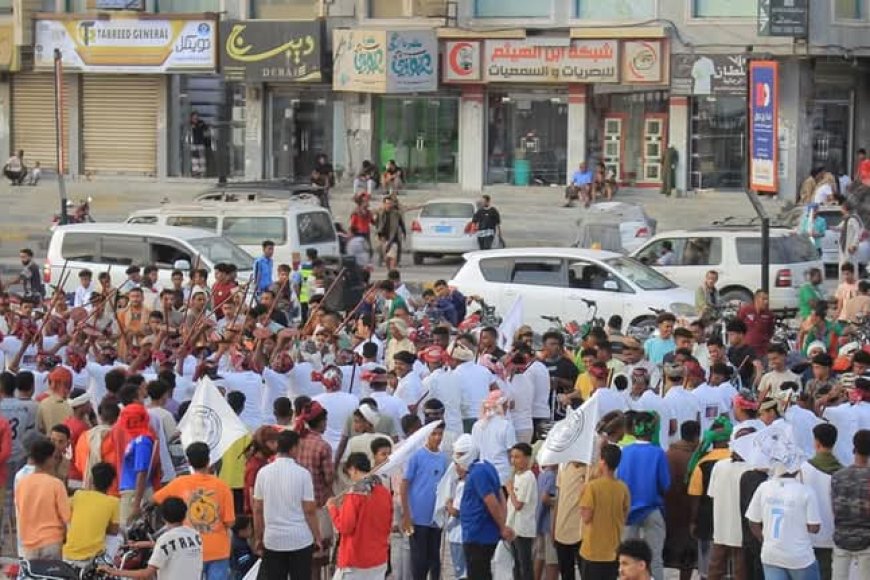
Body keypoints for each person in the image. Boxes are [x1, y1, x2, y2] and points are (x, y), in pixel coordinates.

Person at [153, 442, 235, 580]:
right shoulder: (222, 486)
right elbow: (230, 522)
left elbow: (155, 499)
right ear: (209, 460)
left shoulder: (179, 483)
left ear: (189, 462)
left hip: (190, 549)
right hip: (218, 549)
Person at [252, 429, 322, 580]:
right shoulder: (303, 474)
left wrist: (258, 537)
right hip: (300, 539)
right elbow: (309, 510)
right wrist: (317, 536)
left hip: (273, 539)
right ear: (293, 448)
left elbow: (257, 509)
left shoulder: (263, 473)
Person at [745, 455, 822, 579]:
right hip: (800, 557)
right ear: (797, 469)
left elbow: (753, 521)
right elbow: (814, 527)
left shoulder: (764, 487)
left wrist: (764, 539)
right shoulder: (806, 492)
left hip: (771, 554)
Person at [618, 412, 671, 580]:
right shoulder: (658, 453)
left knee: (626, 558)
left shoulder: (625, 451)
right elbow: (665, 484)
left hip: (628, 511)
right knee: (654, 557)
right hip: (652, 508)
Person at [455, 435, 514, 580]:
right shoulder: (486, 465)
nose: (457, 459)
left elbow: (491, 501)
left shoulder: (477, 473)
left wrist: (502, 526)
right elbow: (500, 493)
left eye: (460, 454)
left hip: (478, 534)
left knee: (478, 573)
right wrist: (503, 521)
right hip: (480, 533)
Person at [100, 497, 204, 579]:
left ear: (163, 518)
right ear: (184, 515)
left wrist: (113, 571)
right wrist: (143, 544)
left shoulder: (165, 539)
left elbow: (146, 573)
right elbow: (176, 546)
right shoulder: (195, 535)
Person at [327, 452, 392, 579]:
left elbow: (345, 527)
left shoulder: (355, 494)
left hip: (356, 559)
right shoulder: (384, 492)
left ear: (353, 469)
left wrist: (333, 509)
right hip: (379, 557)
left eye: (350, 473)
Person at [401, 422, 447, 580]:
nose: (438, 437)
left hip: (435, 517)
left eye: (440, 434)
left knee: (434, 558)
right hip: (417, 516)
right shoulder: (417, 456)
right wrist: (407, 514)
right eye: (434, 434)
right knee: (419, 559)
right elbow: (404, 484)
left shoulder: (443, 458)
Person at [579, 444, 630, 580]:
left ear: (602, 461)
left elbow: (586, 517)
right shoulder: (622, 487)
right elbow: (624, 515)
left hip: (593, 550)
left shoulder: (592, 487)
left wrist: (581, 496)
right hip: (613, 549)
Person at [15, 437, 71, 559]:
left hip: (28, 543)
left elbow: (20, 510)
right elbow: (66, 517)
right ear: (49, 459)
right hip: (52, 541)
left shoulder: (22, 483)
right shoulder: (56, 484)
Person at [800, 423, 841, 580]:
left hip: (808, 533)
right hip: (832, 534)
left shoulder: (803, 469)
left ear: (816, 442)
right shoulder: (842, 471)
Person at [62, 462, 120, 567]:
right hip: (92, 559)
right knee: (118, 537)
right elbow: (114, 531)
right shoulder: (113, 502)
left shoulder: (78, 495)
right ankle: (108, 565)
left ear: (92, 480)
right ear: (112, 483)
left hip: (68, 555)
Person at [830, 429, 870, 580]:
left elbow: (834, 508)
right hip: (867, 539)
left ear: (854, 448)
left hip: (842, 537)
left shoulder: (838, 476)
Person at [663, 421, 699, 580]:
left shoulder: (668, 454)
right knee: (687, 555)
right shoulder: (695, 458)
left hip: (668, 510)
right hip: (688, 510)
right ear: (696, 437)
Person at [506, 442, 537, 580]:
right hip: (513, 527)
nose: (513, 460)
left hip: (523, 528)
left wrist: (510, 490)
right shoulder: (517, 475)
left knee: (525, 564)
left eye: (517, 457)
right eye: (512, 457)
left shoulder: (528, 477)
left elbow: (519, 504)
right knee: (516, 564)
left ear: (527, 458)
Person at [737, 290, 775, 359]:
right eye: (763, 299)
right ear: (756, 299)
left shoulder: (769, 315)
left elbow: (770, 332)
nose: (766, 302)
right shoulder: (745, 310)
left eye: (767, 299)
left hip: (762, 352)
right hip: (746, 351)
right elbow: (737, 327)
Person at [377, 196, 406, 270]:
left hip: (393, 238)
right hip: (383, 238)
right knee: (386, 258)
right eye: (387, 203)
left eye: (390, 203)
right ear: (384, 204)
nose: (388, 205)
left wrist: (404, 233)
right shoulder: (380, 213)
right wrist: (379, 235)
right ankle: (389, 270)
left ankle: (392, 271)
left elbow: (401, 224)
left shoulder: (396, 214)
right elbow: (377, 224)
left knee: (392, 257)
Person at [840, 198, 864, 277]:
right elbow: (840, 227)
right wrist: (830, 227)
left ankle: (853, 284)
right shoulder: (846, 219)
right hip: (845, 246)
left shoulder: (853, 218)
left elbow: (858, 232)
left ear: (845, 209)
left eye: (841, 208)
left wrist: (854, 245)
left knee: (851, 266)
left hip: (850, 247)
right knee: (845, 266)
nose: (841, 210)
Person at [189, 111, 211, 177]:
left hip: (201, 143)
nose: (195, 118)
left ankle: (202, 172)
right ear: (191, 117)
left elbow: (206, 129)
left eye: (196, 116)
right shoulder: (190, 124)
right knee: (195, 159)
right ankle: (195, 172)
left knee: (202, 158)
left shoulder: (201, 123)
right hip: (194, 143)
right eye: (194, 116)